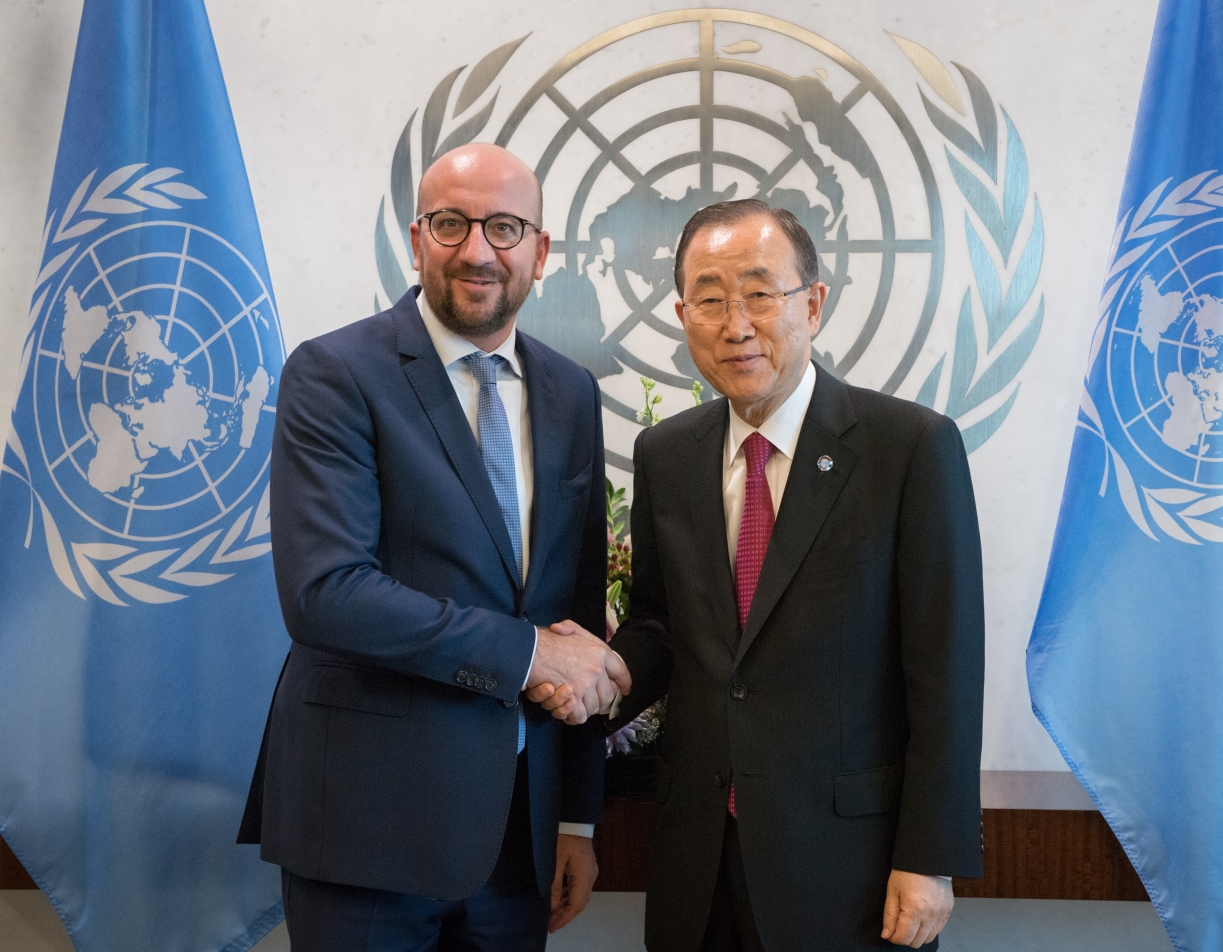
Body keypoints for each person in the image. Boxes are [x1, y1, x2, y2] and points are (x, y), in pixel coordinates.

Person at [533, 198, 985, 950]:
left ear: (813, 302)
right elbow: (661, 625)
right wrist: (598, 674)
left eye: (759, 293)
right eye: (709, 299)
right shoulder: (667, 454)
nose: (735, 324)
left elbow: (945, 669)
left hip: (851, 865)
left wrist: (930, 858)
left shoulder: (909, 448)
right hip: (697, 856)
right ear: (683, 316)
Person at [237, 143, 629, 952]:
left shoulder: (570, 394)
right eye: (452, 224)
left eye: (505, 227)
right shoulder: (333, 373)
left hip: (519, 836)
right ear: (417, 240)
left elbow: (577, 614)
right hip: (366, 829)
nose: (478, 250)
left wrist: (576, 816)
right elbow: (326, 594)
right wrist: (528, 655)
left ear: (541, 252)